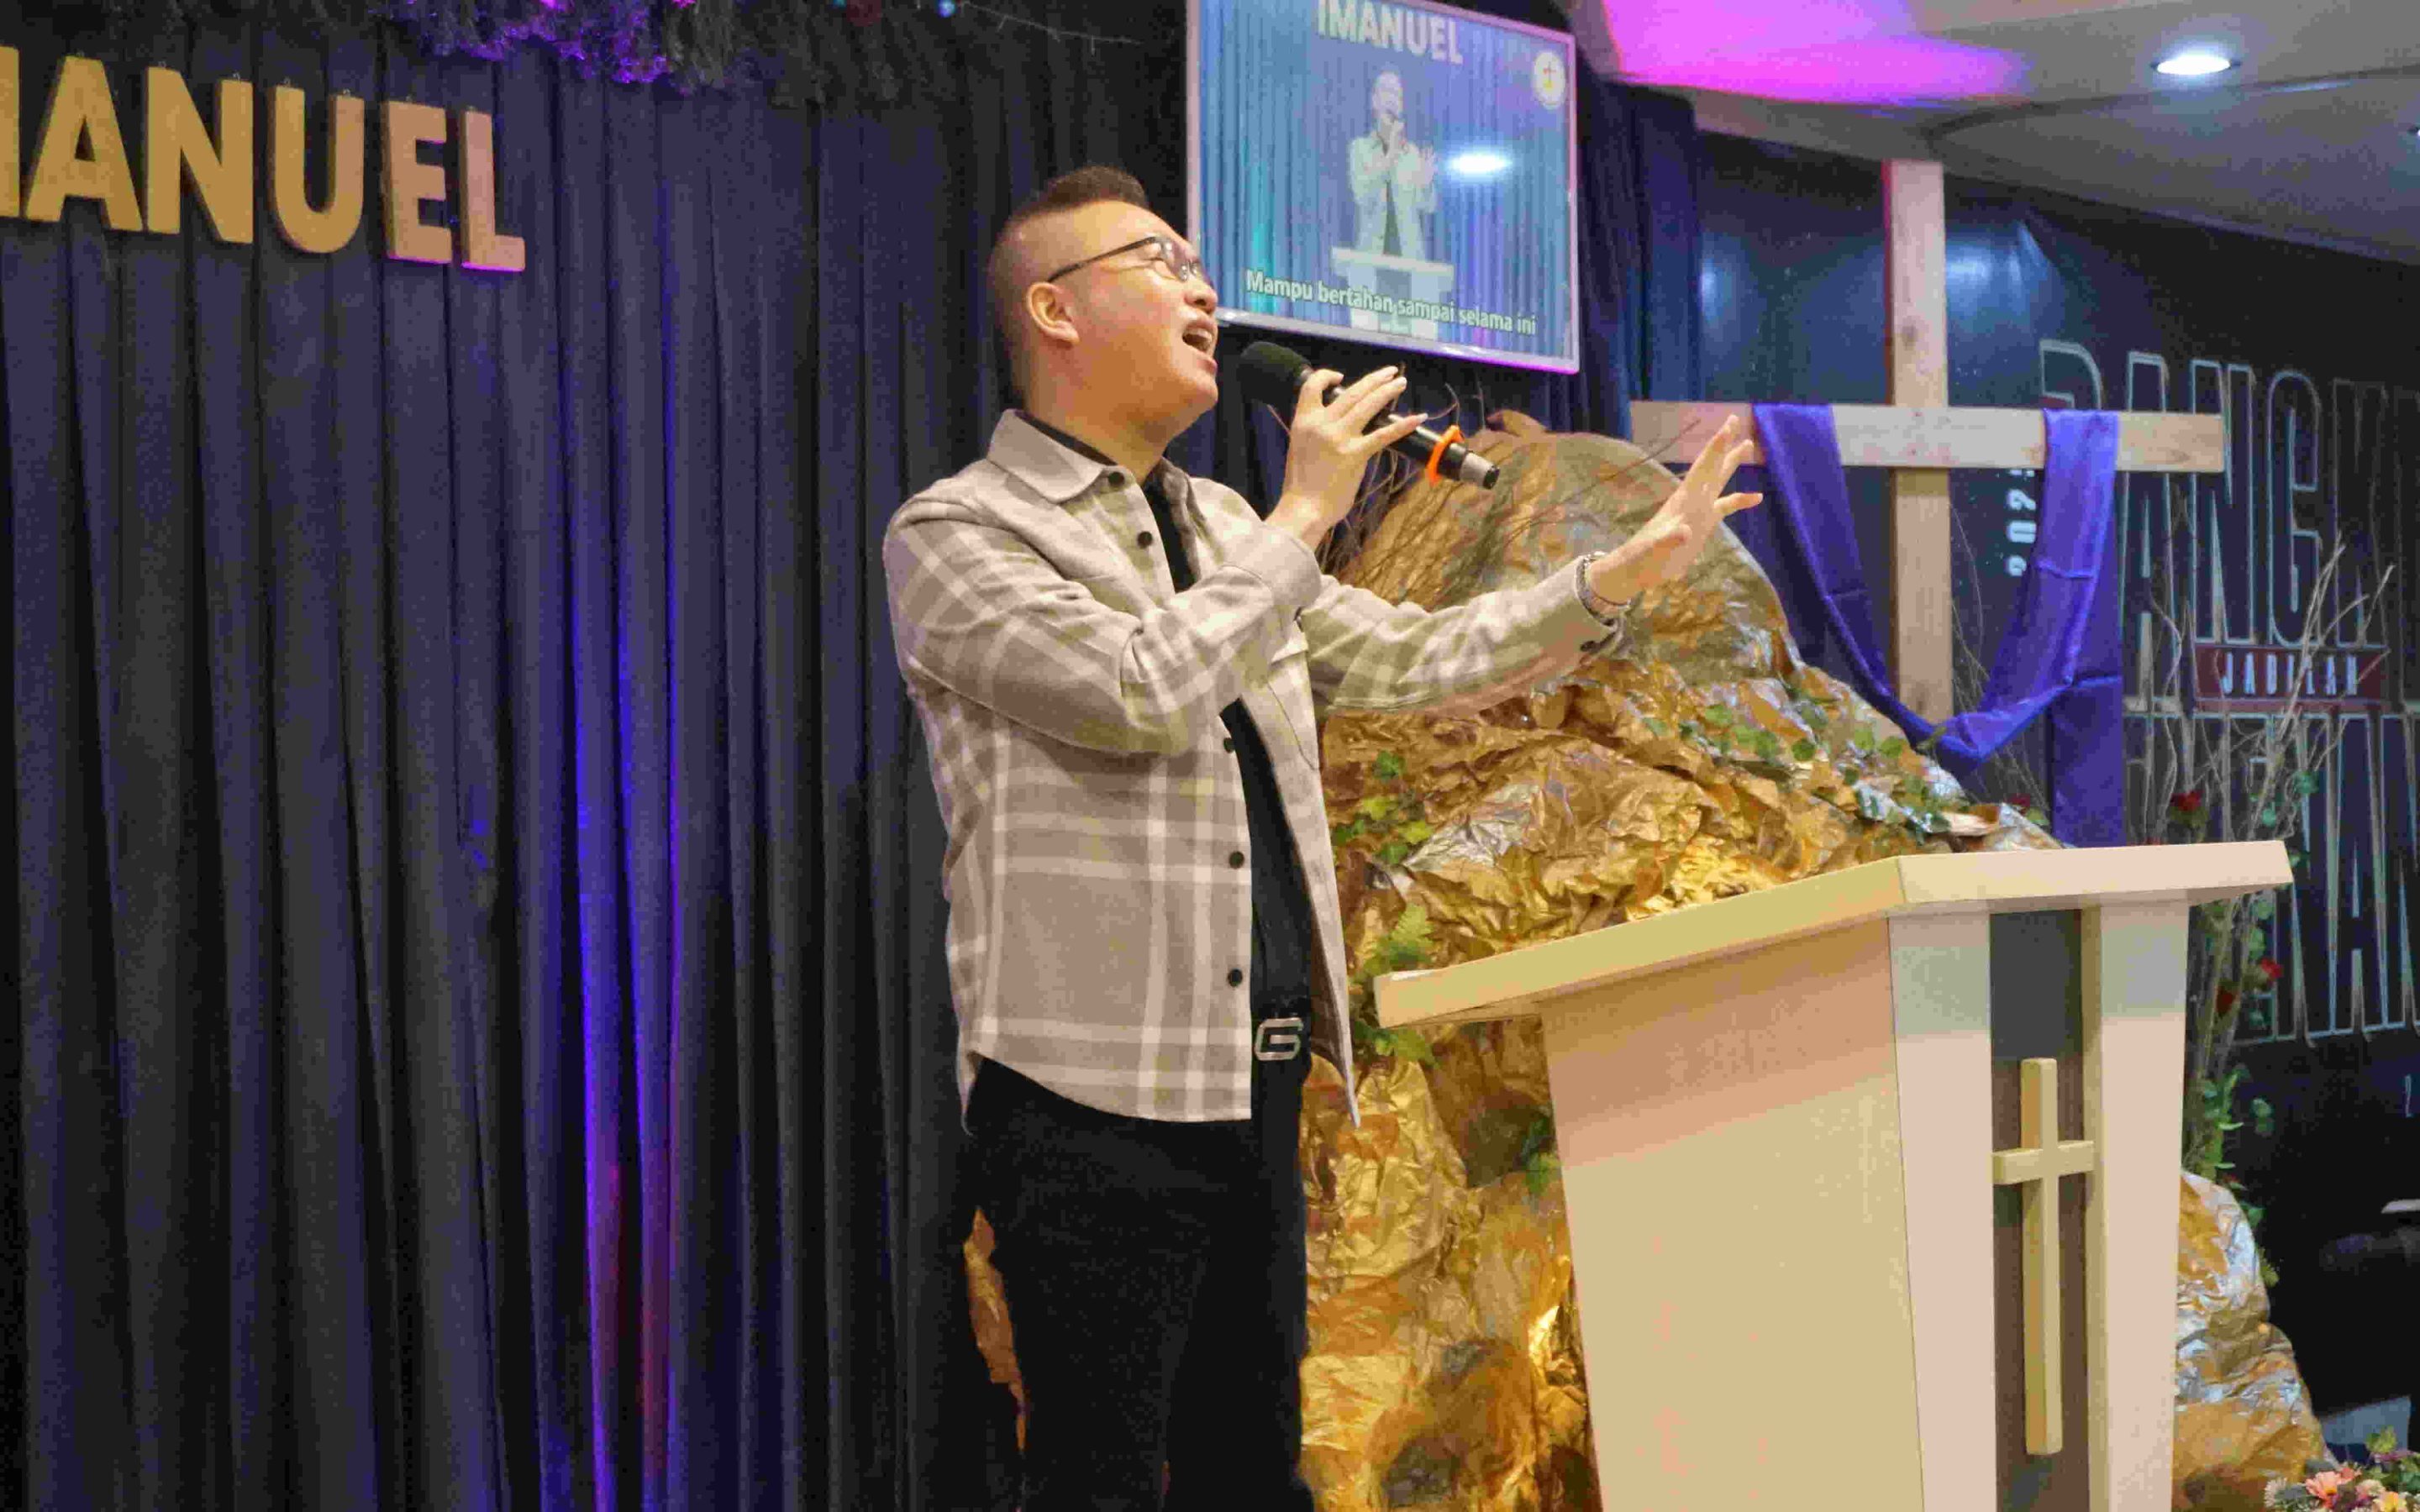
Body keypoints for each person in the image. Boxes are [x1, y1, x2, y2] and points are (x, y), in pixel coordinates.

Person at [881, 165, 1759, 1511]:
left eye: (1198, 264)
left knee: (1251, 1472)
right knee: (1098, 1480)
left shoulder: (1219, 523)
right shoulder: (959, 532)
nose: (1201, 290)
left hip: (1254, 1080)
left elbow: (1411, 658)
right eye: (1159, 261)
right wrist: (1305, 516)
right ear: (1055, 311)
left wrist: (1616, 576)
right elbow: (1137, 691)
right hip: (1088, 1096)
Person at [1348, 70, 1438, 261]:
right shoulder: (1360, 148)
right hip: (1371, 260)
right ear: (1374, 101)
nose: (1392, 99)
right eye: (1386, 91)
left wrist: (1426, 184)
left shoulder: (1411, 154)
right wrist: (1391, 155)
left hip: (1409, 262)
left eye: (1397, 95)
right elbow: (1362, 195)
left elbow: (1427, 206)